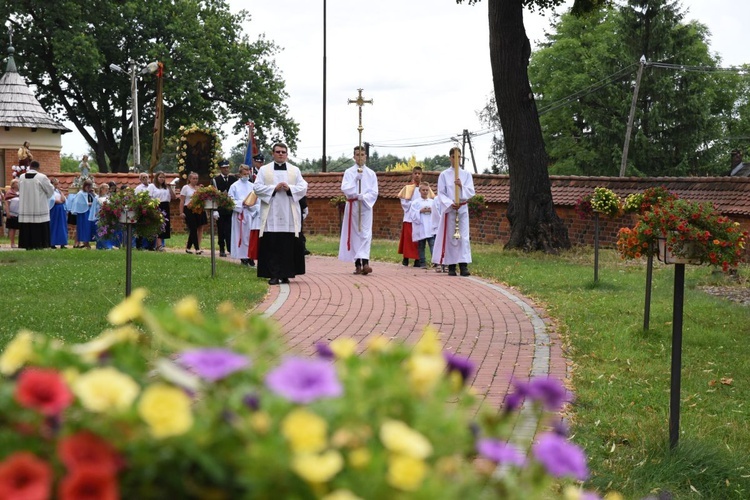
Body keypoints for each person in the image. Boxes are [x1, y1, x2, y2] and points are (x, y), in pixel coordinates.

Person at [253, 142, 307, 285]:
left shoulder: (295, 170)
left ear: (287, 154)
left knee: (287, 246)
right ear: (273, 153)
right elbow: (257, 188)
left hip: (289, 213)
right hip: (271, 214)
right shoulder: (264, 170)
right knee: (272, 245)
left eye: (283, 152)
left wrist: (290, 188)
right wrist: (273, 188)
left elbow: (303, 187)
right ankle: (273, 275)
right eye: (278, 151)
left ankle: (286, 274)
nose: (281, 154)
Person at [432, 147, 475, 276]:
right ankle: (451, 265)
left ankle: (463, 265)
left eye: (458, 157)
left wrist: (462, 186)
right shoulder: (444, 175)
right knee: (451, 237)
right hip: (451, 208)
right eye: (454, 157)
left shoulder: (466, 174)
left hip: (462, 208)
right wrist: (451, 204)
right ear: (449, 158)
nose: (456, 159)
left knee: (463, 237)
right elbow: (441, 193)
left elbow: (471, 191)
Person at [338, 145, 378, 275]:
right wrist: (356, 180)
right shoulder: (349, 172)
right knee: (355, 234)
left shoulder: (371, 173)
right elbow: (345, 188)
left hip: (366, 206)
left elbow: (374, 192)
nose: (360, 157)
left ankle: (366, 262)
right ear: (354, 156)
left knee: (366, 234)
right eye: (357, 154)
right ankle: (357, 264)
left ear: (366, 156)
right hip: (354, 206)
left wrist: (364, 197)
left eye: (362, 154)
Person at [397, 167, 432, 267]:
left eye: (419, 173)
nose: (417, 175)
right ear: (412, 175)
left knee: (419, 239)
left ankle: (418, 259)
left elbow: (429, 201)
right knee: (409, 239)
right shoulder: (407, 188)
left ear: (422, 175)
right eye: (415, 173)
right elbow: (404, 201)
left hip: (421, 217)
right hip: (409, 217)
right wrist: (414, 205)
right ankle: (406, 258)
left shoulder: (425, 188)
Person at [17, 160, 55, 250]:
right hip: (38, 207)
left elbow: (20, 189)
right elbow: (50, 191)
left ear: (29, 167)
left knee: (27, 227)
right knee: (38, 227)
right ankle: (39, 244)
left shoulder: (21, 177)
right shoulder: (42, 177)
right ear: (38, 168)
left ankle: (27, 245)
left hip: (25, 207)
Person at [228, 164, 259, 266]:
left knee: (250, 236)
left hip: (250, 214)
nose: (246, 175)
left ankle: (251, 256)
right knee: (240, 235)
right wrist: (241, 203)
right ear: (240, 174)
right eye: (244, 174)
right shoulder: (234, 186)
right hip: (240, 214)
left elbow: (257, 201)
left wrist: (252, 207)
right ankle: (242, 256)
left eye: (248, 173)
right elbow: (230, 201)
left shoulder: (253, 186)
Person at [212, 159, 237, 257]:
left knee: (230, 229)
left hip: (231, 208)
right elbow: (213, 195)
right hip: (220, 208)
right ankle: (221, 248)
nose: (226, 169)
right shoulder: (215, 180)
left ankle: (231, 248)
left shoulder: (233, 179)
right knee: (221, 229)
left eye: (227, 167)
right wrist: (215, 210)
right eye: (224, 168)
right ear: (220, 168)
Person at [409, 182, 436, 269]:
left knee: (433, 244)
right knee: (421, 246)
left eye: (427, 190)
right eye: (423, 190)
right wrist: (420, 211)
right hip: (421, 227)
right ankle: (422, 262)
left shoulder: (432, 202)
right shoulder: (415, 203)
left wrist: (432, 210)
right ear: (419, 191)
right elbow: (412, 215)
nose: (425, 192)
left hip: (430, 227)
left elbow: (437, 213)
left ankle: (435, 262)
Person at [179, 171, 207, 254]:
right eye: (193, 178)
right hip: (189, 209)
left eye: (196, 178)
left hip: (198, 209)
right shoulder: (185, 188)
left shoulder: (199, 188)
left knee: (197, 228)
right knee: (193, 228)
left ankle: (188, 247)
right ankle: (197, 248)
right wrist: (181, 212)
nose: (195, 180)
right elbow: (182, 200)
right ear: (189, 179)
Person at [149, 171, 174, 251]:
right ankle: (158, 245)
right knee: (158, 225)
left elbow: (173, 197)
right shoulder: (152, 186)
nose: (162, 179)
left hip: (165, 206)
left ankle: (160, 244)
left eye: (163, 177)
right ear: (156, 178)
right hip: (157, 205)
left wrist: (170, 188)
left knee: (164, 225)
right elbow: (149, 197)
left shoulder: (165, 187)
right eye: (160, 177)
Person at [70, 179, 96, 249]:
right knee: (82, 228)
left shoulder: (89, 193)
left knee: (87, 228)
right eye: (89, 187)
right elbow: (78, 203)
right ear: (86, 186)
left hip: (88, 213)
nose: (90, 189)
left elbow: (96, 199)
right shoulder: (80, 194)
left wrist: (93, 194)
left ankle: (85, 242)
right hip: (82, 213)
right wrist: (88, 204)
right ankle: (81, 242)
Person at [89, 183, 115, 250]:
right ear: (101, 189)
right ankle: (100, 245)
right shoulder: (97, 198)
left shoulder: (108, 197)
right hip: (100, 216)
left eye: (107, 189)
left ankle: (107, 245)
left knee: (107, 231)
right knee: (100, 231)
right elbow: (95, 208)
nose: (107, 190)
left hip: (107, 216)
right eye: (105, 189)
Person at [134, 173, 153, 250]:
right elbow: (137, 198)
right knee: (141, 227)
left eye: (146, 177)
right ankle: (139, 245)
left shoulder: (152, 186)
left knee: (151, 227)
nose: (145, 179)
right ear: (140, 179)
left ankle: (150, 245)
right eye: (143, 177)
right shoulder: (138, 188)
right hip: (142, 209)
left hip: (150, 208)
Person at [49, 178, 68, 249]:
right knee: (54, 225)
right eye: (55, 184)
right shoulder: (50, 191)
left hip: (61, 209)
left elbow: (63, 199)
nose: (57, 185)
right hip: (54, 209)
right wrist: (57, 201)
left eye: (57, 184)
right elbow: (51, 199)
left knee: (62, 225)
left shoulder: (58, 191)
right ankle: (52, 243)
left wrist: (61, 192)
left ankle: (62, 243)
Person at [3, 180, 20, 248]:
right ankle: (12, 243)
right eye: (17, 183)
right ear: (13, 184)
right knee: (12, 228)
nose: (18, 184)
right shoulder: (9, 193)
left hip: (19, 213)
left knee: (19, 228)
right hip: (12, 213)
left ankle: (20, 242)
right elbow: (7, 203)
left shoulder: (20, 192)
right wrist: (8, 212)